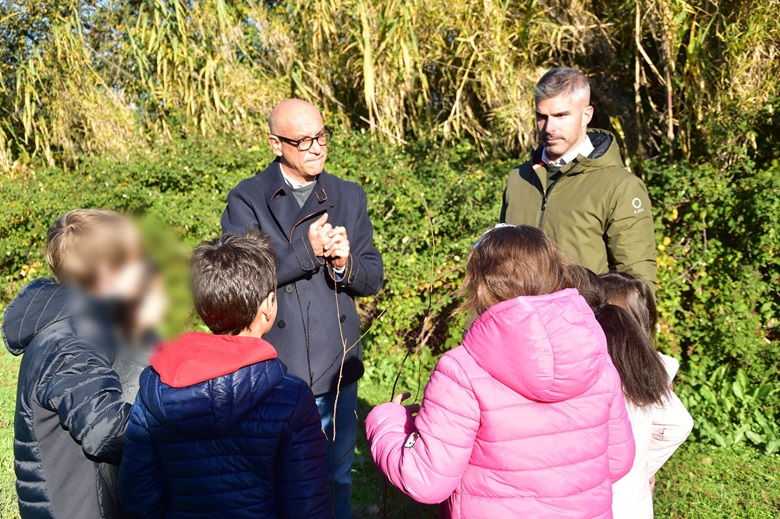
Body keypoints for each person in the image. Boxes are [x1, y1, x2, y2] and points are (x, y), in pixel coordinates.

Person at [365, 225, 635, 518]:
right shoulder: (596, 355)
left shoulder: (462, 370)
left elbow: (426, 481)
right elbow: (618, 460)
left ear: (481, 284)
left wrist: (389, 421)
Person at [221, 99, 383, 517]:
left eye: (322, 136)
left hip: (336, 365)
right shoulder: (247, 199)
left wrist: (346, 264)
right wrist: (306, 251)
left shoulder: (348, 194)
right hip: (274, 367)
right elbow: (240, 280)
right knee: (274, 477)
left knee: (336, 476)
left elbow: (373, 278)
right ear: (276, 144)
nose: (316, 148)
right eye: (303, 141)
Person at [117, 233, 331, 518]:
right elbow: (307, 506)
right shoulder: (291, 396)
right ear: (268, 305)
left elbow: (137, 495)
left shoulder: (157, 384)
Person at [2, 209, 149, 518]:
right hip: (77, 507)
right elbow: (105, 430)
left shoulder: (79, 327)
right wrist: (177, 417)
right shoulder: (72, 340)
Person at [500, 67, 657, 293]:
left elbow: (637, 285)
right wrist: (474, 326)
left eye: (561, 115)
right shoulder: (519, 178)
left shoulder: (620, 186)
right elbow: (496, 269)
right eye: (541, 117)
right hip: (516, 325)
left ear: (587, 115)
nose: (549, 128)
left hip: (586, 325)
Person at [598, 272, 693, 518]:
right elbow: (677, 425)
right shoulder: (648, 373)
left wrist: (643, 467)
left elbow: (680, 424)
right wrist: (643, 467)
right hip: (632, 500)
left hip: (609, 499)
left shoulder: (620, 373)